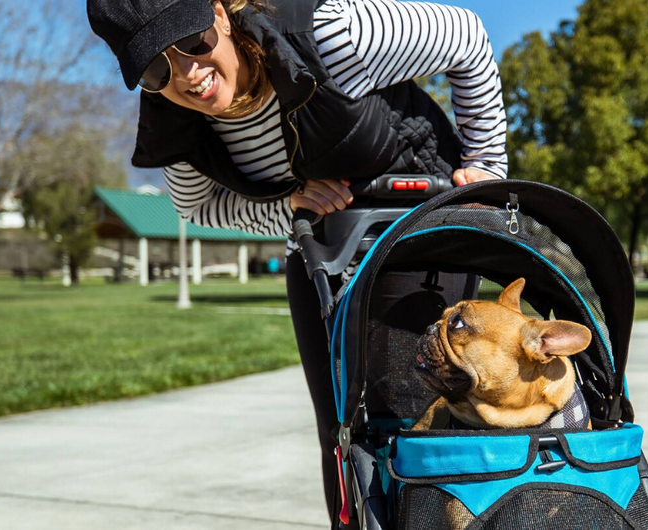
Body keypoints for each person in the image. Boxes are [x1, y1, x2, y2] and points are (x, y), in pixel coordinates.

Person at [86, 0, 507, 523]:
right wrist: (287, 208)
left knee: (408, 419)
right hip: (318, 253)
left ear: (219, 12)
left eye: (193, 42)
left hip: (413, 236)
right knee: (340, 435)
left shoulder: (328, 34)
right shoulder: (172, 119)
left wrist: (487, 164)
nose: (187, 75)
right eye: (155, 67)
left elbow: (466, 35)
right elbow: (197, 205)